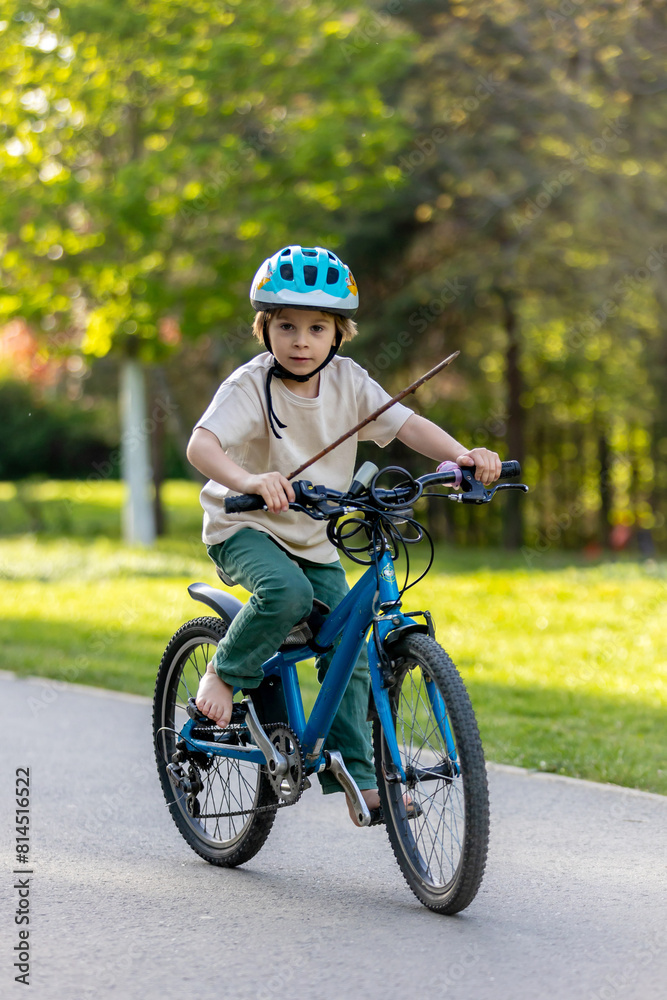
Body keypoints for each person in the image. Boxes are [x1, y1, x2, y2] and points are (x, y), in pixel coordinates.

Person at [187, 244, 501, 825]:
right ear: (265, 329)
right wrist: (251, 479)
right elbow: (200, 445)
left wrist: (464, 457)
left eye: (315, 327)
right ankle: (224, 673)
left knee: (351, 647)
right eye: (286, 326)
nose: (300, 340)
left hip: (312, 536)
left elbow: (407, 424)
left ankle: (361, 781)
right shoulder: (251, 386)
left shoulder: (350, 383)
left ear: (338, 334)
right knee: (289, 596)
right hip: (246, 525)